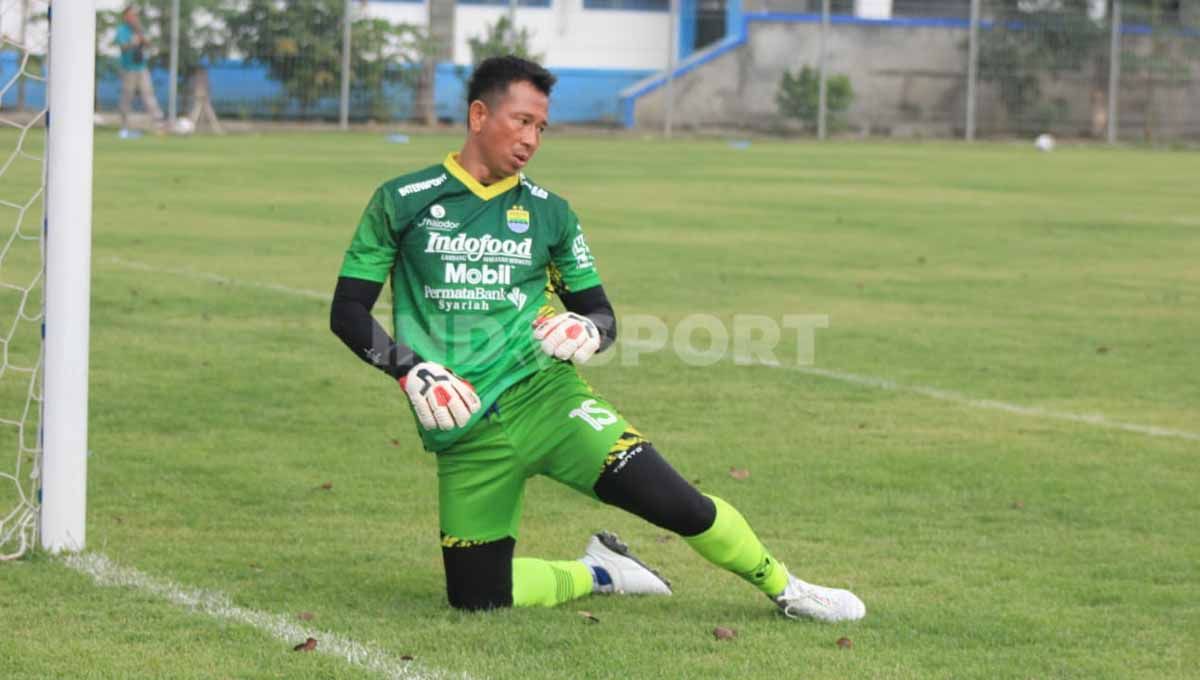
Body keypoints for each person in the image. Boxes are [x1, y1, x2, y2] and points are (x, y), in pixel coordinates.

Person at [329, 56, 865, 622]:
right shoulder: (403, 200)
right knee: (476, 597)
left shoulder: (550, 214)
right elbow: (348, 311)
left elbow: (600, 315)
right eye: (521, 121)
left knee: (678, 504)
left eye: (541, 127)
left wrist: (587, 329)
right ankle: (603, 570)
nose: (531, 139)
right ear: (479, 115)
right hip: (464, 430)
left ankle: (789, 589)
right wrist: (407, 366)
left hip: (549, 401)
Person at [115, 5, 163, 134]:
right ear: (125, 16)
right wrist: (132, 42)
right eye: (131, 15)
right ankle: (124, 125)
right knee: (127, 96)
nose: (134, 17)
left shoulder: (139, 29)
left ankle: (158, 123)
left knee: (148, 94)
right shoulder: (122, 30)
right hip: (128, 69)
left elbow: (149, 44)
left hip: (141, 67)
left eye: (135, 15)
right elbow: (122, 47)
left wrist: (141, 36)